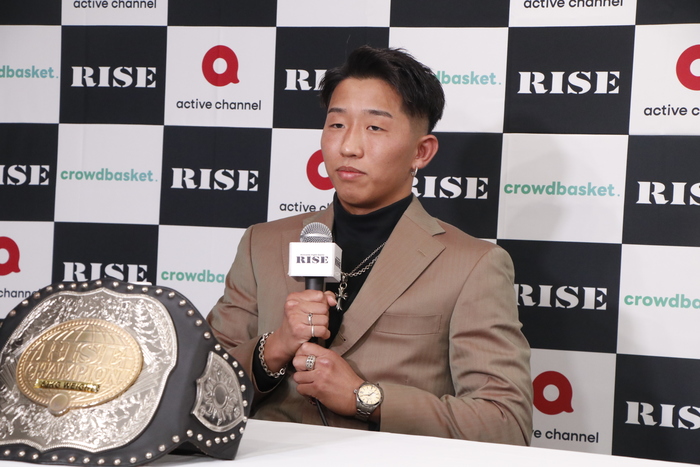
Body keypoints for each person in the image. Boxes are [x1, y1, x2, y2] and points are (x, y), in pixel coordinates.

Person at [207, 45, 532, 445]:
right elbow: (195, 389)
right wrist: (272, 350)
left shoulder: (473, 264)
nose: (348, 147)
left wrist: (364, 398)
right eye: (337, 124)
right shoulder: (263, 243)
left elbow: (506, 423)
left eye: (374, 128)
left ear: (421, 152)